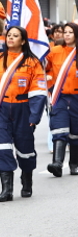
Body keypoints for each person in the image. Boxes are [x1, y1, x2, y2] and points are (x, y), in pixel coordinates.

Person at [0, 26, 47, 201]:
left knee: (25, 150)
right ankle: (7, 190)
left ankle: (27, 181)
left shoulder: (33, 62)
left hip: (23, 109)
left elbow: (38, 91)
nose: (10, 38)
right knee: (2, 148)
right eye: (9, 35)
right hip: (1, 109)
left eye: (15, 36)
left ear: (23, 40)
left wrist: (34, 116)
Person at [45, 23, 78, 177]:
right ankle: (57, 163)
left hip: (77, 98)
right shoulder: (54, 51)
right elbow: (42, 65)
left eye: (70, 32)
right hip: (60, 97)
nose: (66, 35)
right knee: (59, 128)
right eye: (65, 32)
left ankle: (74, 165)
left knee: (76, 134)